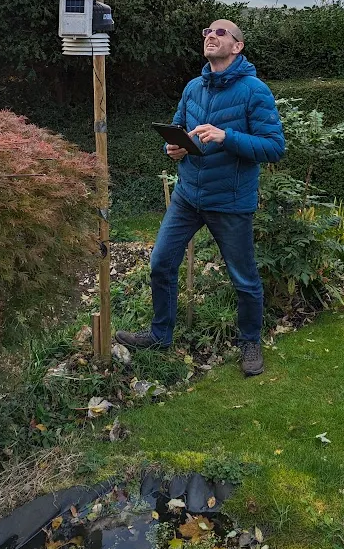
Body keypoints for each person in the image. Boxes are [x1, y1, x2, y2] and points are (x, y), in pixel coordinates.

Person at [115, 19, 285, 376]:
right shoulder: (193, 87)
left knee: (243, 278)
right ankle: (161, 334)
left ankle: (249, 342)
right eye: (207, 31)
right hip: (188, 196)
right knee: (161, 262)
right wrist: (172, 147)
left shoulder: (255, 91)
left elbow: (274, 147)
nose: (211, 35)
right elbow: (177, 129)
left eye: (221, 32)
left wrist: (227, 136)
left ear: (237, 46)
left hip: (230, 201)